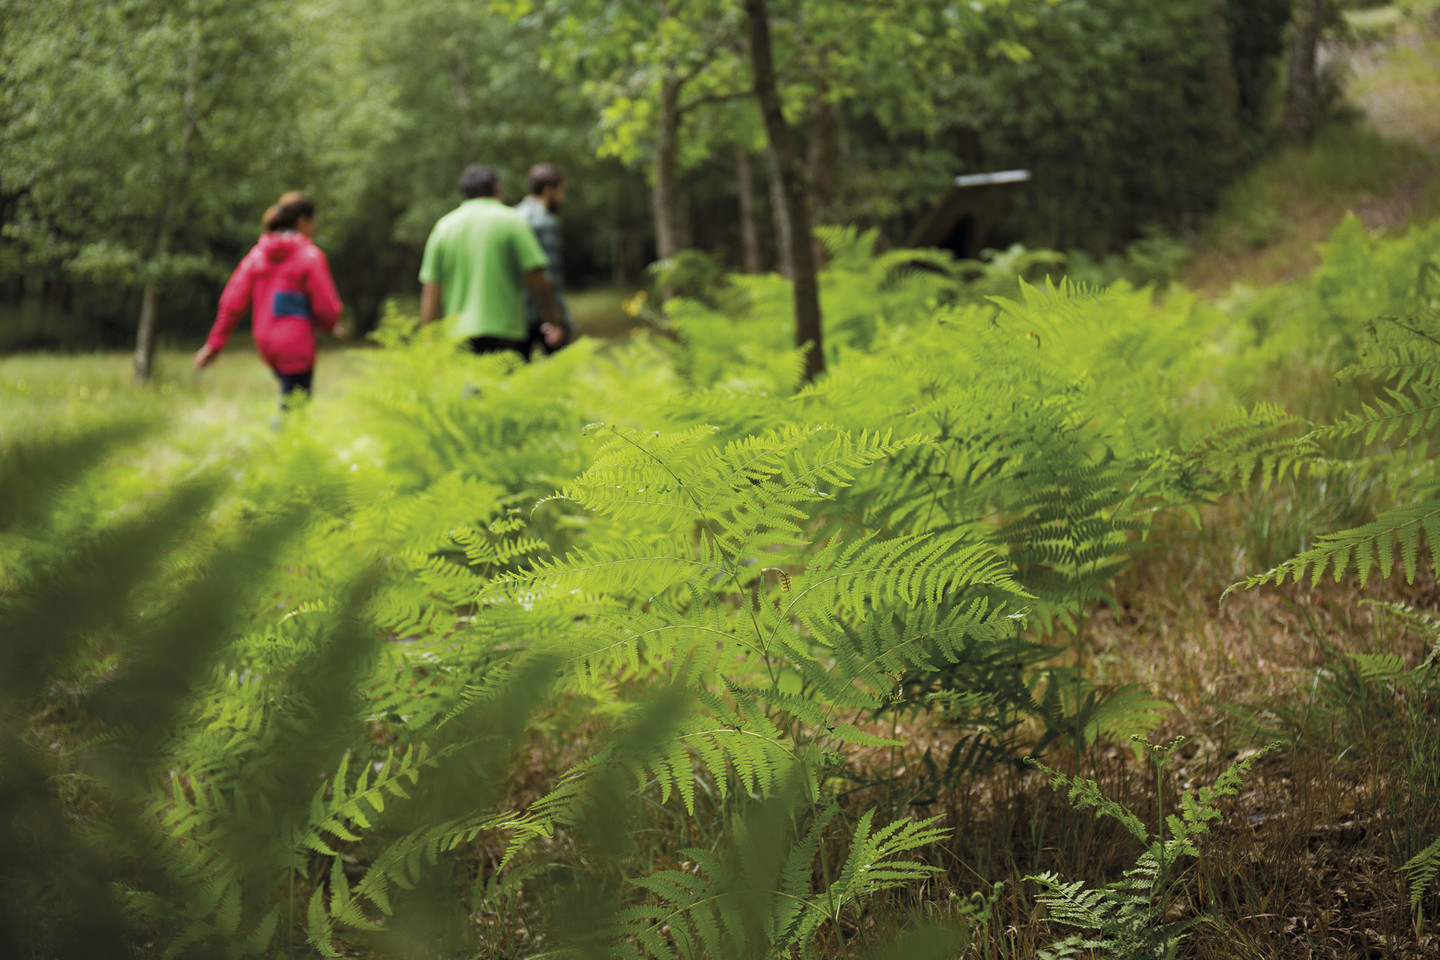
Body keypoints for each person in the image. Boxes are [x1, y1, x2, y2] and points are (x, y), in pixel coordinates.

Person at [195, 191, 347, 399]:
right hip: (296, 343)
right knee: (296, 409)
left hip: (266, 341)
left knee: (292, 400)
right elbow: (326, 307)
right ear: (303, 221)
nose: (315, 228)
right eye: (314, 222)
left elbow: (232, 301)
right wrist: (330, 325)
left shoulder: (258, 254)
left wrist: (214, 343)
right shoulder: (309, 256)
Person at [419, 164, 563, 360]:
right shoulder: (513, 221)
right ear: (497, 189)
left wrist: (430, 339)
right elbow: (536, 278)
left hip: (458, 336)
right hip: (506, 334)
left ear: (463, 193)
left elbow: (431, 288)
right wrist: (552, 321)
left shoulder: (444, 227)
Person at [516, 162, 574, 356]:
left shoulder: (513, 215)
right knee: (560, 377)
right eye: (561, 192)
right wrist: (559, 320)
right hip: (543, 315)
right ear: (548, 190)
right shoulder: (545, 222)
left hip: (516, 315)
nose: (563, 199)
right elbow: (550, 276)